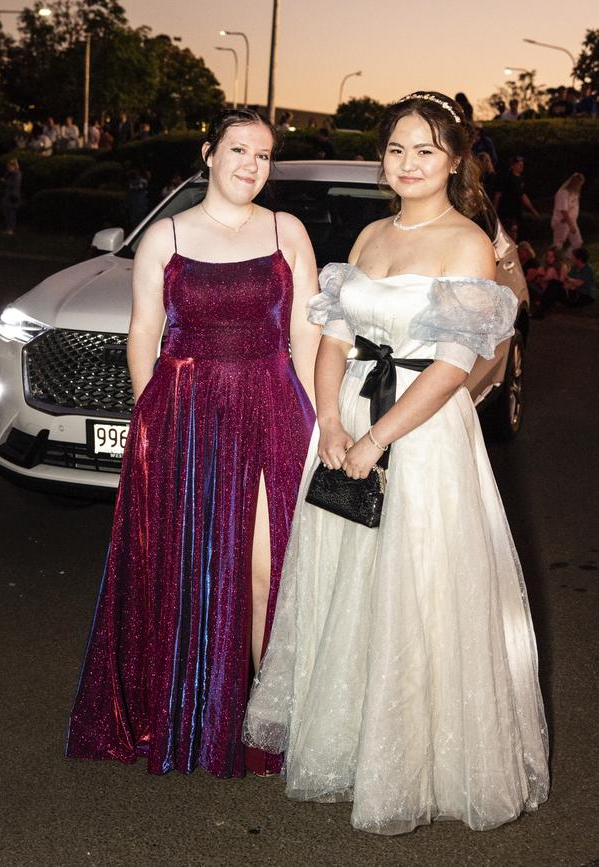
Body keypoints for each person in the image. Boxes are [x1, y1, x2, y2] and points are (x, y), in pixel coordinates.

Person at [244, 91, 549, 835]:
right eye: (395, 149)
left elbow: (453, 366)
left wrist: (380, 437)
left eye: (424, 150)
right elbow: (334, 341)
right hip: (348, 416)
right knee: (348, 581)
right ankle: (348, 742)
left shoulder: (468, 242)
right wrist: (329, 422)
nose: (407, 163)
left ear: (453, 159)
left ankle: (414, 757)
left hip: (420, 432)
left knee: (417, 586)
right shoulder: (370, 234)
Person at [66, 108, 320, 779]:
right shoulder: (168, 235)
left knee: (270, 565)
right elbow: (142, 332)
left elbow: (309, 332)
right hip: (187, 414)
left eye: (263, 156)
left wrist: (319, 419)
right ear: (209, 153)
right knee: (198, 566)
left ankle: (269, 716)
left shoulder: (286, 231)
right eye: (238, 149)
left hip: (271, 407)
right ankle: (205, 713)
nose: (250, 165)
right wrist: (152, 416)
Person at [493, 155, 539, 240]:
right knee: (511, 231)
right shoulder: (506, 178)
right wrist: (494, 210)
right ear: (513, 165)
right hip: (507, 210)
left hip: (517, 210)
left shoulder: (520, 179)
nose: (521, 166)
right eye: (518, 164)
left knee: (515, 231)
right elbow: (498, 194)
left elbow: (522, 195)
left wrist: (532, 210)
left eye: (522, 164)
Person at [533, 246, 570, 316]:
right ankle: (541, 309)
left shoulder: (562, 266)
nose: (549, 259)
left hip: (561, 292)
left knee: (555, 284)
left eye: (551, 257)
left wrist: (553, 276)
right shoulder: (545, 267)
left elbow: (561, 282)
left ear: (556, 258)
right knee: (551, 285)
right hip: (548, 291)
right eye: (548, 256)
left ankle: (540, 309)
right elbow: (541, 281)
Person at [551, 172, 584, 250]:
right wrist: (571, 224)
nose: (580, 187)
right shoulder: (563, 193)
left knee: (577, 243)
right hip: (563, 221)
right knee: (558, 244)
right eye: (579, 184)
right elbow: (563, 210)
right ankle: (552, 259)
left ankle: (568, 258)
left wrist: (572, 223)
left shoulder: (574, 193)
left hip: (571, 221)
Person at [1, 158, 22, 236]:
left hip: (13, 196)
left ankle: (11, 229)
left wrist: (5, 182)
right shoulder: (10, 174)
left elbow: (14, 184)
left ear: (13, 166)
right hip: (8, 195)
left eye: (9, 167)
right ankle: (8, 228)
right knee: (7, 212)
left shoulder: (17, 174)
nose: (8, 168)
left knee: (11, 213)